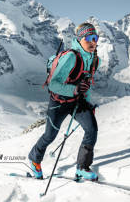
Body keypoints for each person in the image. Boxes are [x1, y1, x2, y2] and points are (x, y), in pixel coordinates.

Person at [28, 23, 101, 180]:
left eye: (95, 38)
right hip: (59, 102)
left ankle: (82, 167)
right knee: (50, 136)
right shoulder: (70, 57)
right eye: (89, 38)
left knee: (92, 129)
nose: (93, 42)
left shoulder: (94, 59)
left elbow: (86, 83)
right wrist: (74, 89)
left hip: (77, 101)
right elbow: (53, 84)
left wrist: (87, 102)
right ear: (80, 39)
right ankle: (34, 158)